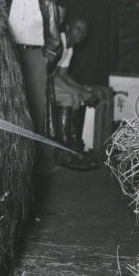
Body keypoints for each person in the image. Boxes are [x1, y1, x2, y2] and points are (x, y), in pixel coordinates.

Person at [0, 0, 61, 170]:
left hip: (35, 57)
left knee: (36, 109)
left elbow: (54, 38)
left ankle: (36, 163)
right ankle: (6, 158)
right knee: (6, 104)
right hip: (9, 55)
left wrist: (46, 61)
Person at [52, 17, 100, 171]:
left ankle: (73, 147)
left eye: (84, 30)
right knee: (71, 96)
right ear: (67, 27)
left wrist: (82, 89)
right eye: (77, 28)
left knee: (76, 97)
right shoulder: (58, 42)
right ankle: (62, 152)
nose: (81, 33)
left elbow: (64, 75)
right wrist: (78, 91)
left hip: (52, 80)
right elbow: (52, 76)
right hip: (41, 81)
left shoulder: (69, 48)